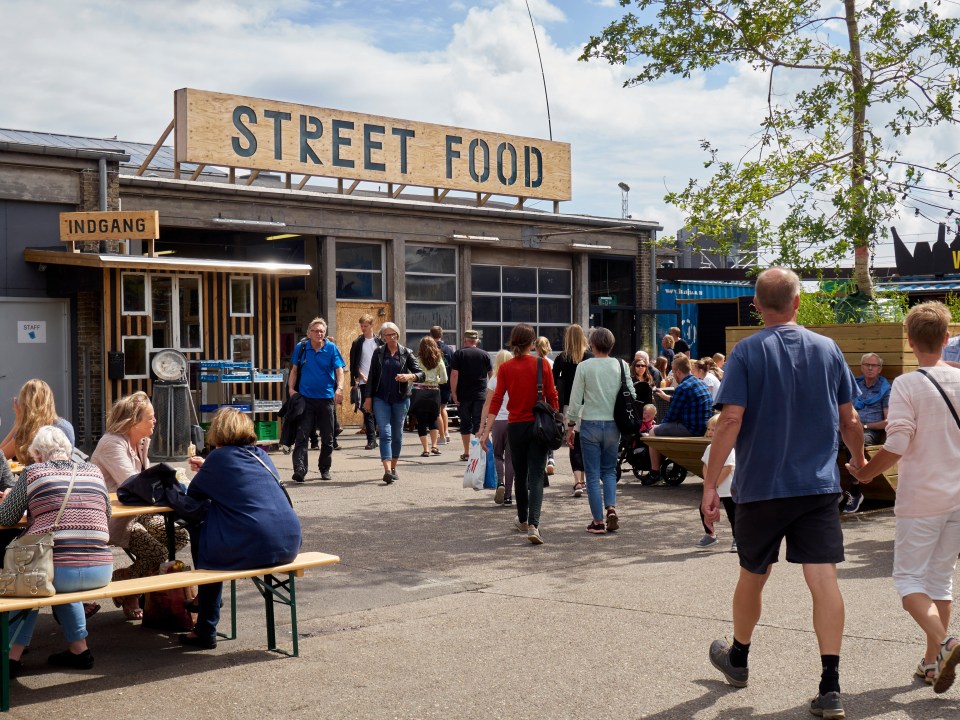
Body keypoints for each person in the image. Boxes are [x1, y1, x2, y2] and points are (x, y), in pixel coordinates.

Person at [702, 267, 865, 719]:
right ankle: (830, 685)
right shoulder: (827, 349)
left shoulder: (746, 352)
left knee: (754, 573)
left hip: (761, 487)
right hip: (817, 486)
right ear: (797, 303)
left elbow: (730, 420)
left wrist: (711, 483)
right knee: (823, 579)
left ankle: (738, 658)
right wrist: (860, 464)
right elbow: (849, 420)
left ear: (757, 307)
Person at [847, 301, 960, 694]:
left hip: (921, 497)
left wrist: (863, 473)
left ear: (910, 342)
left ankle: (946, 643)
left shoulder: (909, 384)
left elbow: (896, 444)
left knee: (909, 580)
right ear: (946, 339)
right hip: (958, 496)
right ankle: (932, 662)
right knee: (940, 580)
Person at [179, 408, 302, 649]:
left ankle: (206, 626)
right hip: (288, 543)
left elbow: (192, 498)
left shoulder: (219, 457)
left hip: (257, 545)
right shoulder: (261, 456)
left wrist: (206, 469)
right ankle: (203, 604)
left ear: (218, 432)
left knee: (202, 526)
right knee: (217, 525)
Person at [0, 425, 111, 674]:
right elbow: (107, 514)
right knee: (58, 575)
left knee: (27, 582)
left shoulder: (33, 472)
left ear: (38, 454)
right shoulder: (93, 471)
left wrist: (10, 497)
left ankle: (10, 656)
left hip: (61, 570)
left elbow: (6, 517)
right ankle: (80, 650)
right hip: (102, 569)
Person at [90, 391, 189, 620]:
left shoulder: (142, 442)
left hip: (137, 513)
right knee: (159, 552)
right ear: (134, 421)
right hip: (112, 518)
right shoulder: (111, 443)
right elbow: (133, 484)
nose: (155, 421)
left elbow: (149, 485)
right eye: (151, 417)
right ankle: (130, 588)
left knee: (179, 536)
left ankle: (129, 581)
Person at [479, 323, 559, 545]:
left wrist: (485, 431)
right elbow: (552, 396)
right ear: (532, 343)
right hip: (539, 426)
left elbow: (496, 401)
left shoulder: (505, 368)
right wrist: (557, 418)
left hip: (516, 426)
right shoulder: (542, 365)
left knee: (520, 475)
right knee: (536, 475)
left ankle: (523, 519)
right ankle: (534, 524)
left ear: (512, 342)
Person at [565, 327, 634, 535]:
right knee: (609, 471)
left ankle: (597, 521)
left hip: (590, 424)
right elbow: (630, 392)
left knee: (593, 475)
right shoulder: (621, 365)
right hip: (614, 424)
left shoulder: (584, 367)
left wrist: (570, 425)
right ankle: (611, 507)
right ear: (611, 344)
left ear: (592, 344)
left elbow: (575, 399)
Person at [363, 322, 425, 484]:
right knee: (385, 432)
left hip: (401, 398)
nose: (391, 337)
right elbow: (371, 377)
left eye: (393, 334)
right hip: (380, 398)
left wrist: (409, 377)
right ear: (382, 337)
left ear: (398, 335)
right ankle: (387, 470)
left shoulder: (406, 353)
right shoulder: (378, 353)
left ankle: (394, 466)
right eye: (387, 335)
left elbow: (421, 374)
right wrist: (368, 398)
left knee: (397, 434)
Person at [288, 317, 346, 483]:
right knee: (302, 436)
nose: (319, 333)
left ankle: (324, 468)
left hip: (326, 399)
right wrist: (291, 389)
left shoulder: (331, 348)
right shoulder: (302, 347)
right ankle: (300, 470)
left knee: (328, 438)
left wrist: (339, 388)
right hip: (305, 399)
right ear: (309, 333)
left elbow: (339, 370)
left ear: (325, 333)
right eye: (316, 331)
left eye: (321, 331)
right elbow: (294, 370)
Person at [647, 354, 714, 483]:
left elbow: (671, 416)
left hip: (692, 429)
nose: (672, 376)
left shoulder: (682, 387)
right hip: (704, 427)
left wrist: (659, 428)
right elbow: (684, 402)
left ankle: (654, 472)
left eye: (673, 372)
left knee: (652, 432)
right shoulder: (700, 383)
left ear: (678, 371)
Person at [841, 352, 891, 514]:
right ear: (861, 368)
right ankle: (833, 489)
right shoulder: (855, 386)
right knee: (828, 443)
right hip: (850, 426)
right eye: (867, 365)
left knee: (854, 441)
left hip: (871, 430)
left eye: (874, 365)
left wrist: (866, 426)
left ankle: (855, 493)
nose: (870, 368)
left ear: (880, 369)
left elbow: (887, 421)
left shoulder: (885, 389)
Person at [554, 325, 593, 498]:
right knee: (588, 442)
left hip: (569, 405)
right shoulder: (590, 357)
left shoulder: (563, 358)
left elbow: (554, 381)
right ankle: (587, 480)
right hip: (590, 405)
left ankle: (578, 480)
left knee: (573, 442)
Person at [0, 379, 75, 464]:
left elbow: (1, 456)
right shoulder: (66, 426)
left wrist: (19, 422)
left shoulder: (29, 430)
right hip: (63, 476)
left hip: (38, 476)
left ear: (26, 405)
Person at [694, 414, 736, 551]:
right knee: (704, 510)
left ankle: (738, 538)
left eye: (714, 429)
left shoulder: (728, 447)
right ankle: (710, 534)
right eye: (709, 429)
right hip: (713, 488)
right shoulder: (709, 448)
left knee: (733, 514)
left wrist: (715, 483)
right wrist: (708, 482)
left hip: (728, 489)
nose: (710, 432)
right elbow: (705, 465)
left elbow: (728, 468)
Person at [478, 350, 515, 505]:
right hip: (514, 421)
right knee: (510, 459)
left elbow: (487, 404)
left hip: (498, 421)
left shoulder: (494, 380)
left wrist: (482, 427)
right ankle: (508, 495)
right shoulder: (515, 378)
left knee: (497, 455)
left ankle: (500, 482)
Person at [450, 329, 492, 462]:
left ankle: (467, 452)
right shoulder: (485, 354)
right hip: (480, 394)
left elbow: (454, 374)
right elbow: (491, 374)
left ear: (465, 340)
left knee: (465, 424)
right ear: (477, 341)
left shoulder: (459, 354)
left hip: (464, 395)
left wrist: (454, 393)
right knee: (479, 423)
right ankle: (479, 451)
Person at [349, 314, 382, 451]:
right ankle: (371, 440)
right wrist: (360, 376)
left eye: (365, 326)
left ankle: (378, 437)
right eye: (361, 326)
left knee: (379, 409)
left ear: (371, 326)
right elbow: (354, 363)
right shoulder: (357, 343)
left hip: (379, 381)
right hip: (364, 381)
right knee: (367, 410)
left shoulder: (379, 342)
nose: (363, 328)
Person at [413, 336, 447, 456]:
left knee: (421, 420)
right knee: (434, 418)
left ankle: (425, 449)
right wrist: (435, 380)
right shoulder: (439, 360)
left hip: (420, 391)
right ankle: (434, 446)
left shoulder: (417, 360)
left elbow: (413, 377)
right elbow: (444, 379)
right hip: (434, 392)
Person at [535, 336, 557, 478]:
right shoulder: (551, 363)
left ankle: (542, 461)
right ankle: (551, 458)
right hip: (548, 402)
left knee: (539, 431)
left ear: (535, 347)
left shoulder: (534, 362)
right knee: (550, 429)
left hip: (537, 402)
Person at [431, 326, 456, 445]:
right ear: (442, 335)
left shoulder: (430, 348)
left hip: (434, 382)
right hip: (446, 382)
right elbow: (452, 366)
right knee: (443, 408)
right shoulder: (449, 349)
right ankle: (446, 432)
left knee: (436, 410)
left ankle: (441, 434)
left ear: (431, 335)